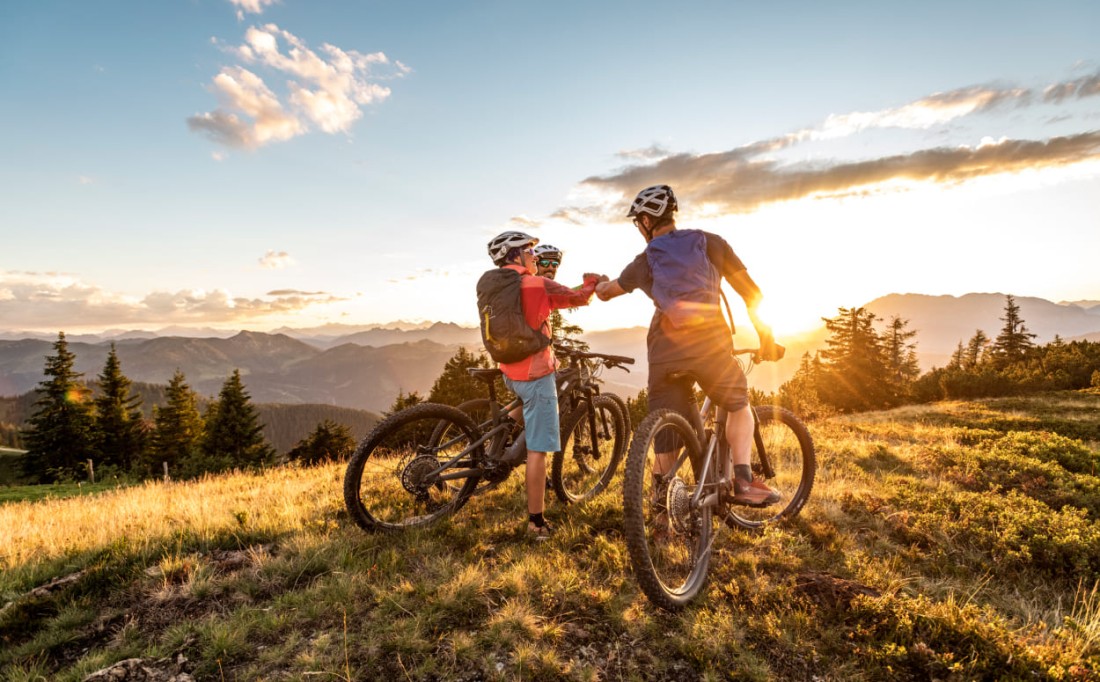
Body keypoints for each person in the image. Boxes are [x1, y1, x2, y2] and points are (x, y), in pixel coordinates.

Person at [595, 185, 785, 506]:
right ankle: (742, 480)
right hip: (709, 347)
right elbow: (751, 294)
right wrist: (766, 338)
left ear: (646, 221)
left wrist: (598, 282)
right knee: (738, 404)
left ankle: (660, 515)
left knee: (666, 438)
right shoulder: (712, 243)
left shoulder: (645, 260)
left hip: (664, 353)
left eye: (638, 222)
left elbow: (606, 292)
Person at [483, 231, 605, 540]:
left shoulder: (496, 284)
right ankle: (536, 523)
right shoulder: (537, 284)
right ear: (515, 255)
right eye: (529, 251)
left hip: (508, 369)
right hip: (535, 375)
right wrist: (592, 281)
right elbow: (576, 296)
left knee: (524, 403)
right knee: (538, 450)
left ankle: (497, 443)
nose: (534, 257)